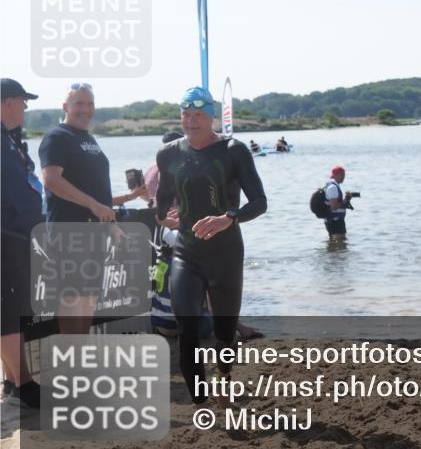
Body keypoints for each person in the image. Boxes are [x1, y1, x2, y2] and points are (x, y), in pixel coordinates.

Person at [155, 86, 267, 403]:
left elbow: (259, 202)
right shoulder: (168, 154)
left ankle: (224, 374)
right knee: (187, 326)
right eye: (186, 114)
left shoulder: (234, 150)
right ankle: (201, 401)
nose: (191, 121)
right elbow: (161, 201)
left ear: (211, 116)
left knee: (224, 331)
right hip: (187, 253)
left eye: (198, 114)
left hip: (226, 253)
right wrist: (164, 216)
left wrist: (228, 217)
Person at [39, 83, 148, 334]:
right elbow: (52, 180)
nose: (85, 109)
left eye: (90, 104)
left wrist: (122, 206)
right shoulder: (56, 137)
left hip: (94, 233)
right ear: (65, 107)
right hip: (69, 232)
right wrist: (95, 206)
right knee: (72, 300)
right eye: (79, 103)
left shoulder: (88, 139)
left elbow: (98, 195)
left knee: (88, 299)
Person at [1, 79, 43, 408]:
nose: (26, 108)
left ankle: (13, 380)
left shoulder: (11, 140)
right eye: (23, 102)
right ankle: (24, 384)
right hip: (6, 234)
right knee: (11, 310)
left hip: (19, 233)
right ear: (7, 102)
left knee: (14, 309)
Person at [324, 166, 352, 238]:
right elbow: (334, 206)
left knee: (335, 245)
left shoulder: (332, 186)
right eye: (342, 175)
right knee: (340, 243)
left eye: (344, 175)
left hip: (333, 220)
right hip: (335, 221)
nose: (343, 177)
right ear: (336, 175)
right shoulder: (333, 187)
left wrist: (346, 199)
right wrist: (344, 202)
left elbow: (335, 204)